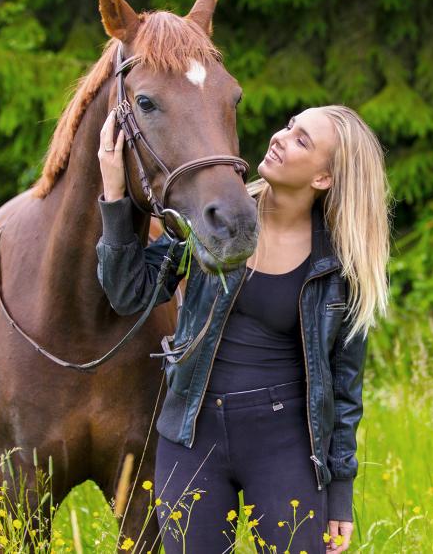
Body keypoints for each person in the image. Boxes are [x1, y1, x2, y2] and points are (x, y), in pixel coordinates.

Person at [96, 105, 391, 553]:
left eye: (301, 141)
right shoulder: (212, 220)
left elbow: (345, 389)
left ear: (323, 179)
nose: (280, 137)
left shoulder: (339, 266)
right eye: (290, 125)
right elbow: (129, 294)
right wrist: (115, 196)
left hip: (284, 443)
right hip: (192, 434)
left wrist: (340, 497)